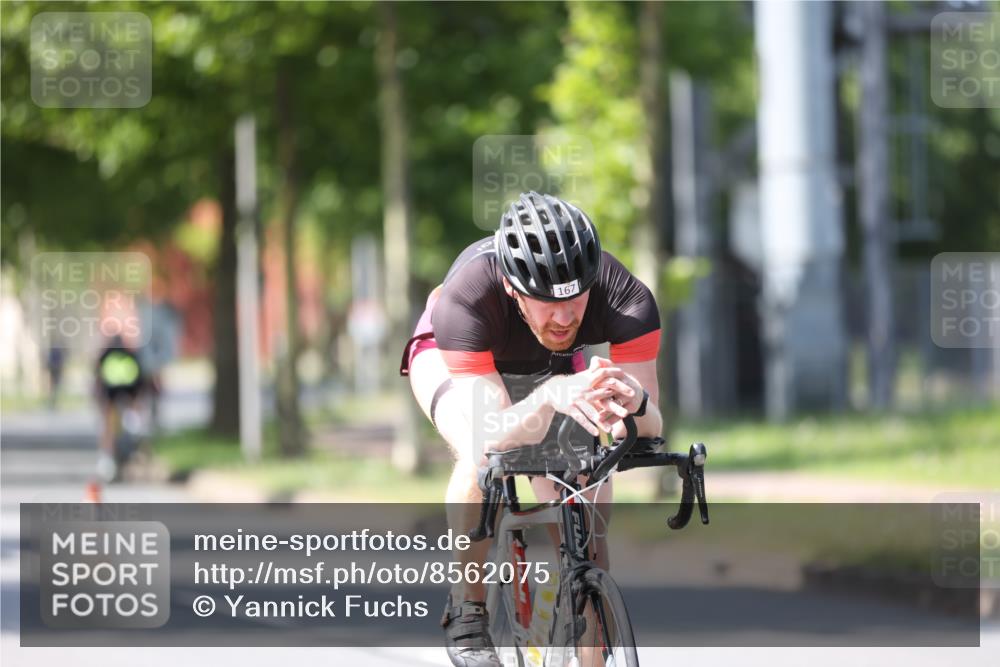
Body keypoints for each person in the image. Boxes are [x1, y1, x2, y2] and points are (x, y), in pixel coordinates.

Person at [400, 192, 663, 667]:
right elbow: (491, 434)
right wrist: (547, 397)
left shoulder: (627, 297)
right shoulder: (469, 295)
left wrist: (630, 404)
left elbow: (648, 426)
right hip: (456, 356)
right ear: (512, 286)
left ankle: (586, 627)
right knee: (479, 456)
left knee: (588, 507)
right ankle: (468, 610)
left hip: (552, 365)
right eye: (545, 302)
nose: (563, 317)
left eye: (576, 299)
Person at [94, 334, 146, 482]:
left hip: (111, 394)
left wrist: (100, 402)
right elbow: (139, 380)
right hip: (129, 393)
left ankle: (106, 457)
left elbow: (98, 380)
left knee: (107, 426)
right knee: (132, 423)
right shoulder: (131, 354)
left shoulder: (106, 355)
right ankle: (136, 446)